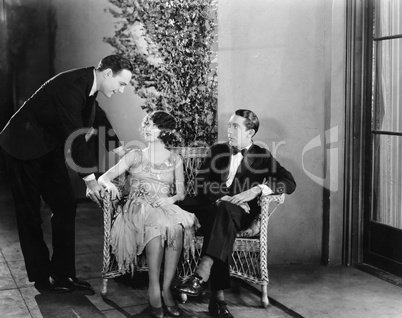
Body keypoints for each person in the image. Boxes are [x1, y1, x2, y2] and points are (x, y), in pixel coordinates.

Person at [0, 55, 134, 293]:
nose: (122, 90)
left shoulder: (90, 87)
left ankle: (63, 274)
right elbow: (76, 136)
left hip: (47, 147)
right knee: (30, 214)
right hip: (22, 146)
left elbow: (98, 118)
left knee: (65, 205)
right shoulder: (72, 86)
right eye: (121, 83)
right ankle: (42, 278)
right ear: (107, 75)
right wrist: (91, 182)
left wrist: (121, 150)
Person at [174, 109, 296, 318]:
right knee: (222, 217)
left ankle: (202, 276)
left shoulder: (262, 155)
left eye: (235, 126)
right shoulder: (217, 151)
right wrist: (224, 198)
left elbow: (289, 182)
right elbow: (201, 182)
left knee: (224, 218)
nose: (229, 130)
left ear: (251, 132)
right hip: (213, 208)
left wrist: (257, 189)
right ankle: (217, 300)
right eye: (229, 125)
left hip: (241, 214)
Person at [98, 111, 199, 318]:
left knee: (176, 227)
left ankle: (166, 289)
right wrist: (110, 186)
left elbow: (180, 193)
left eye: (152, 125)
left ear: (164, 131)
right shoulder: (135, 155)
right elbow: (104, 178)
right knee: (156, 223)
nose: (147, 129)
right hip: (138, 207)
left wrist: (168, 200)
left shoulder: (175, 159)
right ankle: (154, 289)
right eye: (146, 125)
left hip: (163, 205)